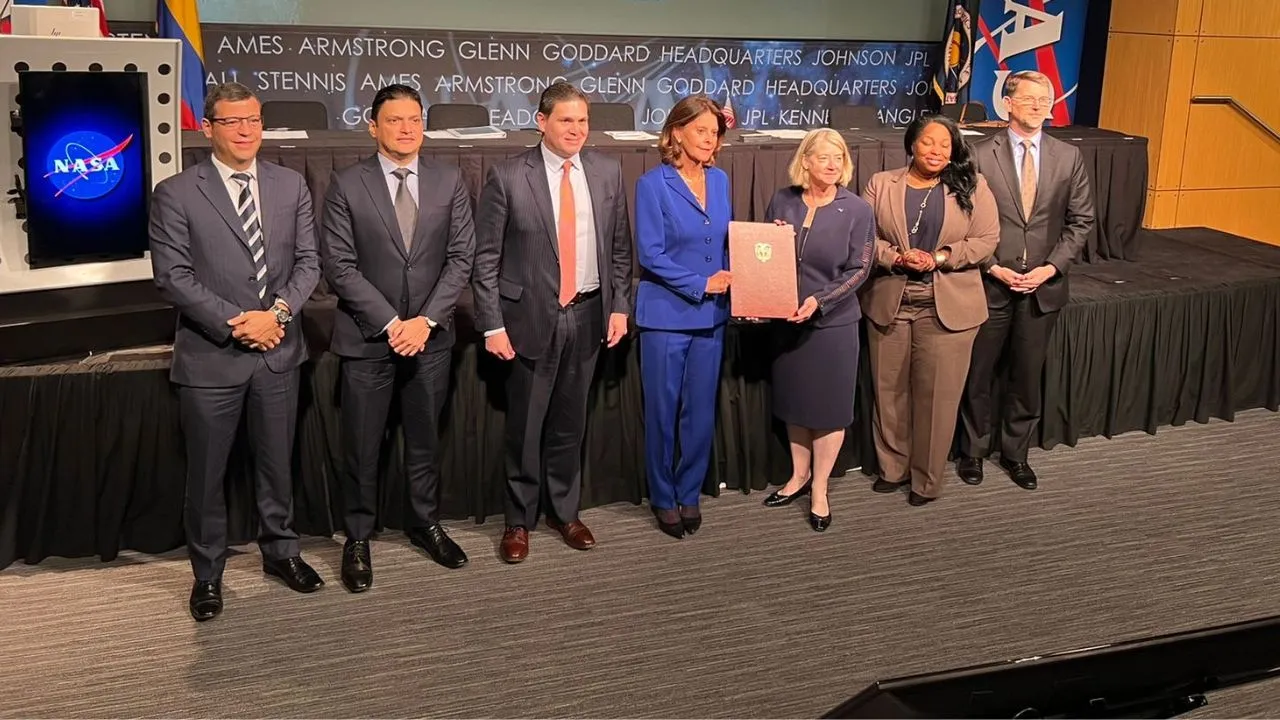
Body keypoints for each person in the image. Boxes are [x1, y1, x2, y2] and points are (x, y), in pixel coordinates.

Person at [149, 81, 322, 621]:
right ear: (209, 128)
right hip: (211, 356)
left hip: (278, 350)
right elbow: (172, 277)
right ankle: (207, 574)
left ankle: (281, 552)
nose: (246, 130)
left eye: (254, 119)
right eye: (233, 121)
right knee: (207, 475)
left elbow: (309, 265)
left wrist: (276, 316)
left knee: (277, 465)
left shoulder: (291, 185)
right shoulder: (176, 192)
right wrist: (237, 324)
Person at [319, 84, 476, 591]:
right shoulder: (346, 183)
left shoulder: (450, 179)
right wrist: (392, 323)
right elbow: (339, 268)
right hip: (368, 340)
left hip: (430, 339)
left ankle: (425, 523)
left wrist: (424, 321)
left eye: (414, 119)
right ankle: (358, 538)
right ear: (373, 126)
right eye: (395, 121)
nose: (407, 129)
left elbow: (461, 259)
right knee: (362, 447)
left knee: (426, 441)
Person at [472, 81, 634, 564]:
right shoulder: (507, 176)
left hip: (588, 316)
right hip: (528, 320)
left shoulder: (607, 172)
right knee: (525, 427)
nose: (577, 130)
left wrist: (620, 305)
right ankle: (518, 520)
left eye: (583, 121)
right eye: (566, 120)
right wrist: (492, 324)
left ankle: (564, 511)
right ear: (542, 121)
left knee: (569, 424)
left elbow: (620, 249)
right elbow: (485, 259)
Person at [957, 70, 1095, 490]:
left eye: (1045, 99)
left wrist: (1050, 268)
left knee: (1026, 376)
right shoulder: (979, 153)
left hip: (1043, 285)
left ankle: (1016, 454)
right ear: (1009, 104)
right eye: (1029, 99)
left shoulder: (1068, 157)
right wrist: (993, 265)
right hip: (990, 282)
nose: (1038, 106)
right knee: (978, 374)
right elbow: (962, 219)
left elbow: (1081, 221)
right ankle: (973, 451)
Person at [859, 114, 1000, 506]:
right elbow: (865, 238)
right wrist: (896, 257)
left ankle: (926, 480)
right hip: (891, 300)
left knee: (937, 399)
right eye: (927, 142)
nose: (936, 150)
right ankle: (892, 469)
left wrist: (940, 257)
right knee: (889, 394)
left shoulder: (973, 185)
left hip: (948, 306)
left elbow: (987, 239)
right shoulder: (880, 184)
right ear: (911, 145)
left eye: (944, 144)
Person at [759, 128, 875, 532]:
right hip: (786, 320)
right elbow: (764, 254)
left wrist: (820, 301)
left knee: (827, 411)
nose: (832, 165)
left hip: (832, 324)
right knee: (795, 404)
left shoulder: (857, 209)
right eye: (824, 157)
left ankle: (821, 488)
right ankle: (798, 475)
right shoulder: (782, 199)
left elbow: (859, 268)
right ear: (804, 160)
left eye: (839, 158)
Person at [633, 95, 732, 539]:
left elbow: (728, 242)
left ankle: (689, 491)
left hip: (711, 319)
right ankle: (661, 494)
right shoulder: (653, 184)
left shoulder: (723, 180)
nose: (710, 139)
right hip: (666, 317)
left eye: (714, 132)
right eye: (701, 131)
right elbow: (650, 254)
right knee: (662, 412)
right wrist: (700, 283)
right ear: (676, 132)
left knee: (700, 413)